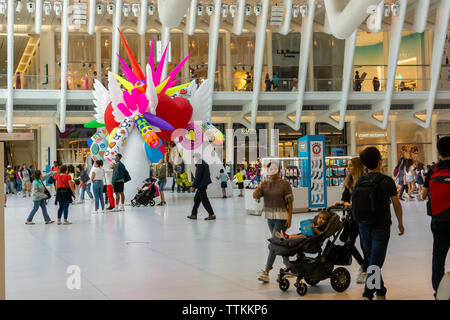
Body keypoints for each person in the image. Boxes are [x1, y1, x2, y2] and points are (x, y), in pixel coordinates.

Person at [356, 147, 404, 300]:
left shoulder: (360, 180)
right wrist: (400, 223)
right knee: (375, 263)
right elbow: (396, 204)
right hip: (381, 226)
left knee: (372, 260)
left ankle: (381, 291)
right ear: (379, 161)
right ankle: (368, 294)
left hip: (363, 225)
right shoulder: (386, 181)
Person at [253, 161, 293, 283]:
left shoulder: (284, 184)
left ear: (279, 170)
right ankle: (289, 267)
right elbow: (255, 196)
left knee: (274, 244)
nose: (272, 171)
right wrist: (259, 187)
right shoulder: (265, 184)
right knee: (280, 243)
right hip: (269, 217)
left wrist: (289, 217)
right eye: (270, 169)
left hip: (281, 217)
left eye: (275, 169)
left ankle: (266, 271)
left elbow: (290, 202)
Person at [421, 136, 450, 299]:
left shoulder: (433, 170)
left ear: (438, 152)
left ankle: (439, 290)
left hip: (438, 220)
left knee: (438, 257)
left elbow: (424, 194)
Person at [334, 157, 368, 284]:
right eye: (348, 165)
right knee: (347, 242)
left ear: (358, 167)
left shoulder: (364, 181)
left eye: (351, 166)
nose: (348, 168)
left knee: (365, 245)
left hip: (362, 218)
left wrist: (351, 204)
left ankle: (366, 270)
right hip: (351, 218)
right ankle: (363, 264)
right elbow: (345, 199)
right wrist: (342, 203)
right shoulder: (349, 181)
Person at [187, 154, 216, 220]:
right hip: (203, 184)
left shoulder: (200, 164)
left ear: (197, 157)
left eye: (194, 157)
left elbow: (198, 176)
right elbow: (207, 174)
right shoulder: (204, 163)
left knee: (204, 200)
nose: (194, 159)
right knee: (196, 200)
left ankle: (211, 214)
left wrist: (193, 186)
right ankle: (193, 214)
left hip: (201, 185)